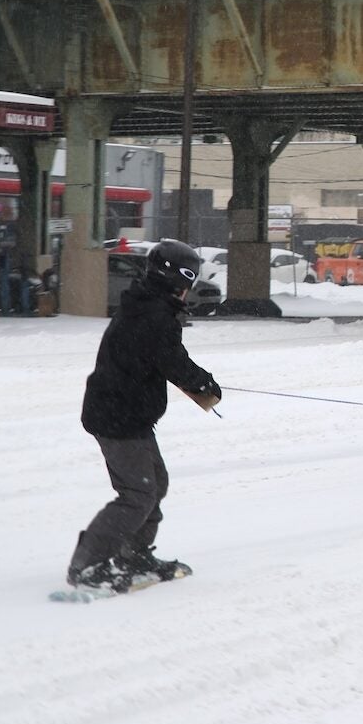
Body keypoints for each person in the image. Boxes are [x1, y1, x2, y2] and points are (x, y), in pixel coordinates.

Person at [68, 239, 221, 593]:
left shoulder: (147, 306)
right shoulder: (154, 316)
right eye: (187, 284)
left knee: (154, 484)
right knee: (138, 493)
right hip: (118, 416)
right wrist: (207, 386)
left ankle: (131, 555)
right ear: (176, 281)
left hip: (125, 413)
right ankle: (87, 564)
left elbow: (163, 359)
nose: (187, 293)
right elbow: (174, 363)